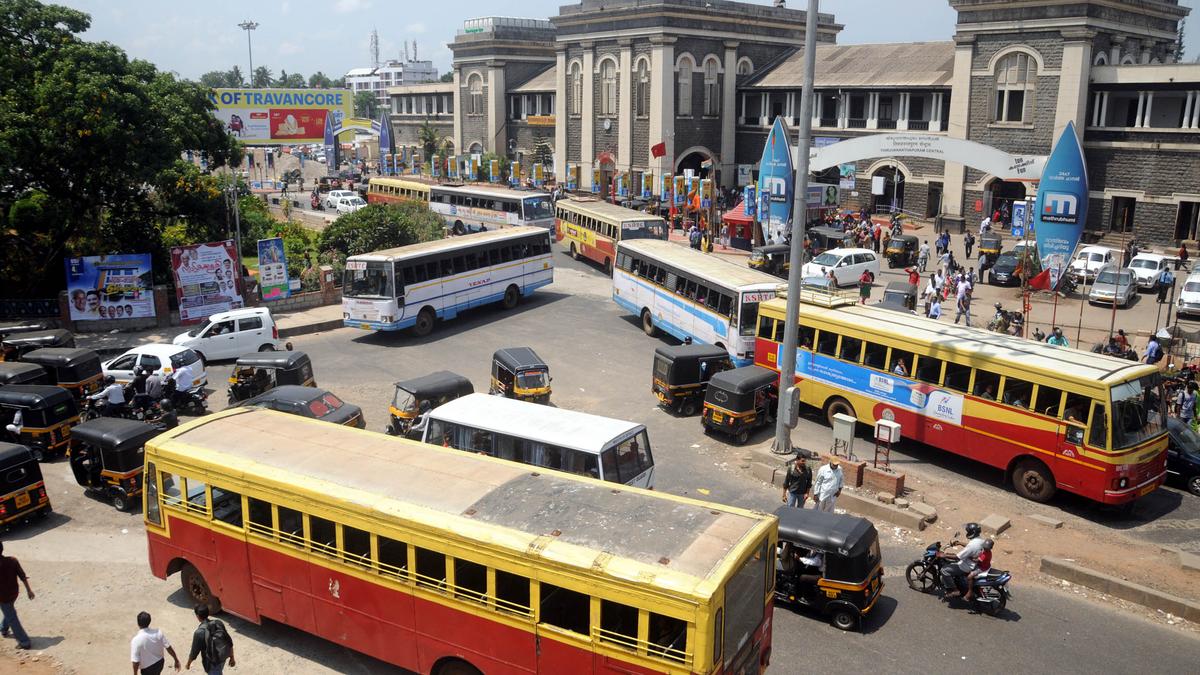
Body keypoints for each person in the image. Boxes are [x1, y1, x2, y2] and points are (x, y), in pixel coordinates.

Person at [0, 541, 34, 650]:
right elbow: (22, 576)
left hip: (2, 597)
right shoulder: (12, 560)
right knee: (9, 611)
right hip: (14, 593)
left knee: (11, 616)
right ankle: (3, 629)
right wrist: (29, 590)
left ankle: (24, 642)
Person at [940, 522, 985, 598]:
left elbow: (958, 557)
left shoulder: (972, 545)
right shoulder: (980, 540)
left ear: (972, 532)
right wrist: (960, 543)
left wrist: (944, 555)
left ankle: (955, 590)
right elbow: (971, 547)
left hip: (967, 566)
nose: (967, 533)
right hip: (974, 563)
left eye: (968, 531)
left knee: (944, 570)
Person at [186, 604, 235, 675]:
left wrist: (188, 664)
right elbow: (229, 642)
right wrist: (232, 657)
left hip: (212, 663)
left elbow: (194, 652)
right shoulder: (218, 623)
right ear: (208, 613)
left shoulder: (199, 632)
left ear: (197, 616)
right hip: (222, 656)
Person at [131, 611, 181, 675]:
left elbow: (135, 661)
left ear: (138, 623)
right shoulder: (158, 633)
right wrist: (176, 660)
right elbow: (168, 647)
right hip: (160, 664)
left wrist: (135, 674)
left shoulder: (136, 640)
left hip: (147, 669)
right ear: (149, 621)